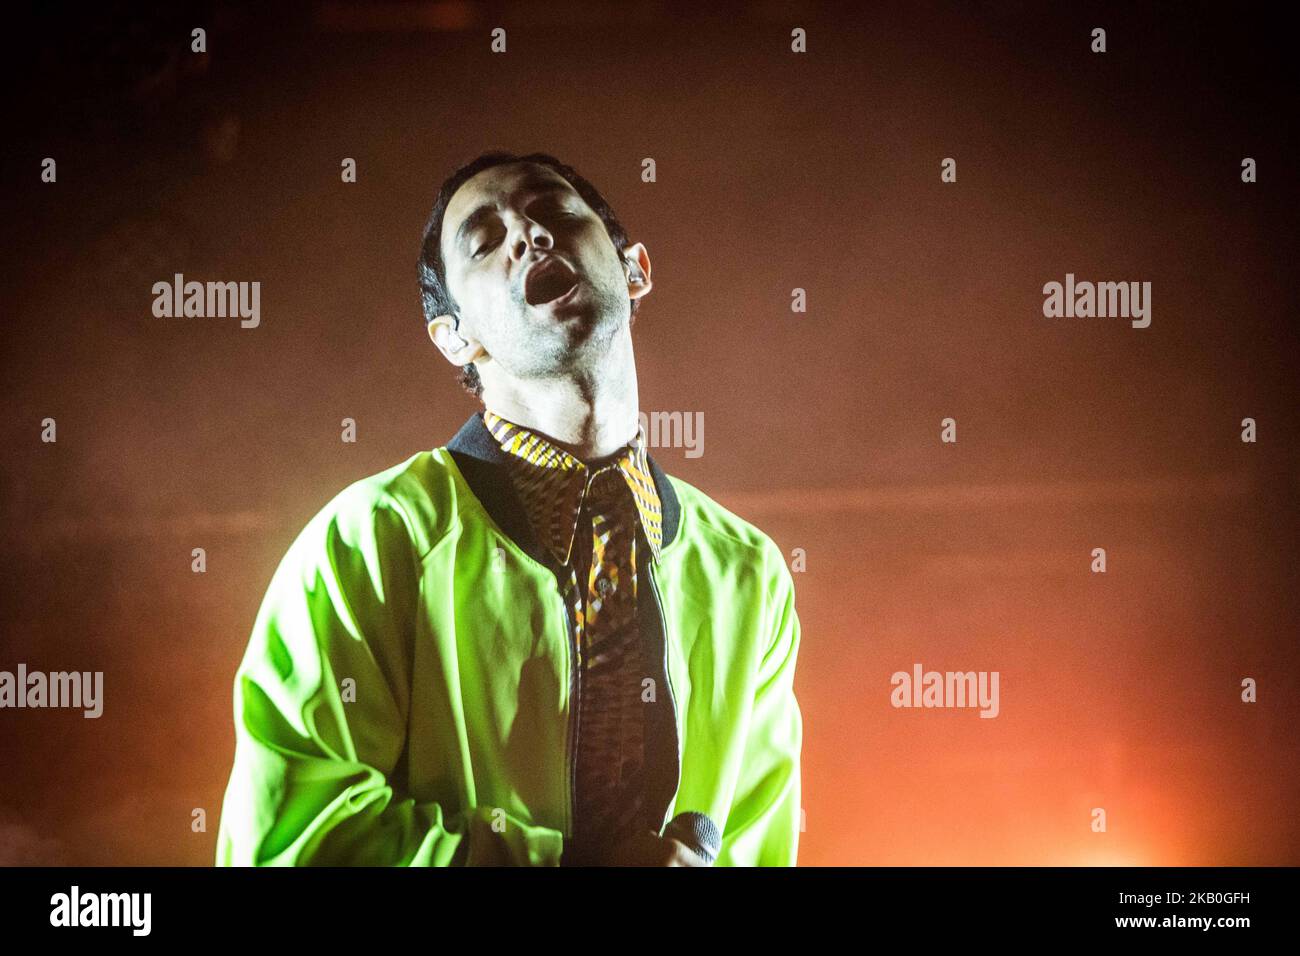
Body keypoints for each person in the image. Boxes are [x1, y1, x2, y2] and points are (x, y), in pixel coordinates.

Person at [214, 151, 802, 866]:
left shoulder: (749, 573)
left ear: (635, 269)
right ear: (455, 337)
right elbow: (290, 846)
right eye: (485, 241)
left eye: (553, 211)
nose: (529, 234)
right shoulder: (369, 542)